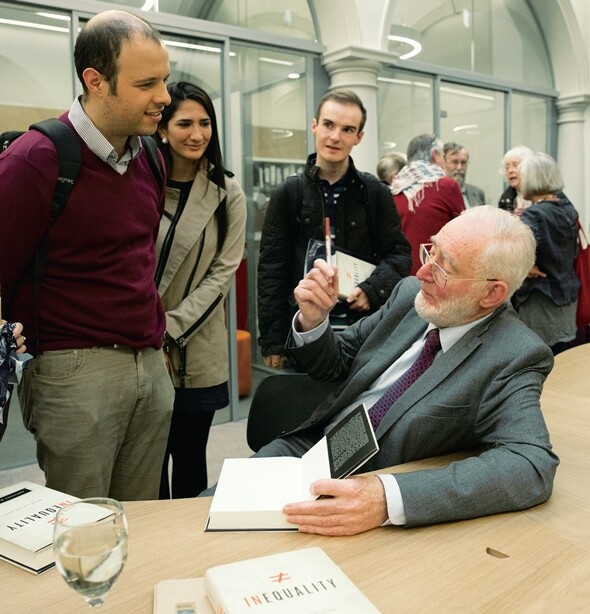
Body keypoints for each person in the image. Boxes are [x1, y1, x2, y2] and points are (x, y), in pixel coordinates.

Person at [212, 206, 559, 536]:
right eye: (431, 251)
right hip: (310, 446)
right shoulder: (410, 296)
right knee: (200, 514)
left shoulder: (515, 354)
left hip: (367, 479)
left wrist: (386, 498)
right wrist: (314, 321)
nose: (422, 271)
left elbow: (530, 464)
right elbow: (338, 361)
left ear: (492, 293)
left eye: (443, 267)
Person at [0, 10, 175, 500]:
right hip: (73, 373)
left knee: (143, 524)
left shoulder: (151, 156)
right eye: (147, 83)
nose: (164, 96)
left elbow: (140, 257)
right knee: (83, 529)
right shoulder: (35, 160)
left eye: (164, 79)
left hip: (149, 363)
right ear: (95, 81)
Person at [257, 89, 411, 369]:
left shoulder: (375, 192)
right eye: (328, 125)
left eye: (347, 129)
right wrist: (272, 340)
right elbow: (272, 269)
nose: (335, 136)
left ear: (358, 137)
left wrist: (372, 289)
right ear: (314, 126)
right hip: (303, 330)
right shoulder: (288, 193)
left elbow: (399, 255)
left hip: (362, 332)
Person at [154, 82, 247, 498]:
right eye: (185, 123)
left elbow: (222, 273)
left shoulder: (228, 193)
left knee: (190, 458)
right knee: (147, 461)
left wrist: (169, 325)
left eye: (205, 123)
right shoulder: (140, 186)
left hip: (196, 344)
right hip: (141, 345)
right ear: (161, 128)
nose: (197, 133)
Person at [511, 153, 580, 354]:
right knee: (562, 357)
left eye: (522, 176)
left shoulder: (534, 214)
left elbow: (516, 251)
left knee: (537, 358)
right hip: (565, 295)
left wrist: (526, 265)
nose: (519, 182)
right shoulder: (566, 207)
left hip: (541, 300)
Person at [391, 134, 465, 275]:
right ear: (435, 155)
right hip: (436, 274)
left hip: (399, 275)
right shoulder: (445, 186)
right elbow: (464, 231)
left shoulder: (394, 187)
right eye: (443, 155)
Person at [442, 142, 486, 207]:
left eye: (463, 162)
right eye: (455, 162)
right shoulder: (436, 194)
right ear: (443, 163)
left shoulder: (478, 193)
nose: (459, 167)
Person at [498, 145, 534, 214]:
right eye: (507, 167)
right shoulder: (505, 199)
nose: (510, 171)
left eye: (515, 165)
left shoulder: (546, 194)